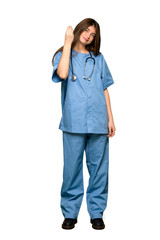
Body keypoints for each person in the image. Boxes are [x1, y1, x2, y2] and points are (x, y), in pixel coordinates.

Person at [51, 18, 116, 230]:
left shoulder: (98, 58)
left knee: (99, 170)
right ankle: (70, 213)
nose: (89, 35)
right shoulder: (63, 55)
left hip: (98, 121)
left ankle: (96, 213)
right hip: (73, 121)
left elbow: (104, 88)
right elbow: (61, 74)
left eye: (93, 34)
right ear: (79, 29)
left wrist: (110, 118)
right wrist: (67, 42)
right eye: (87, 30)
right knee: (71, 169)